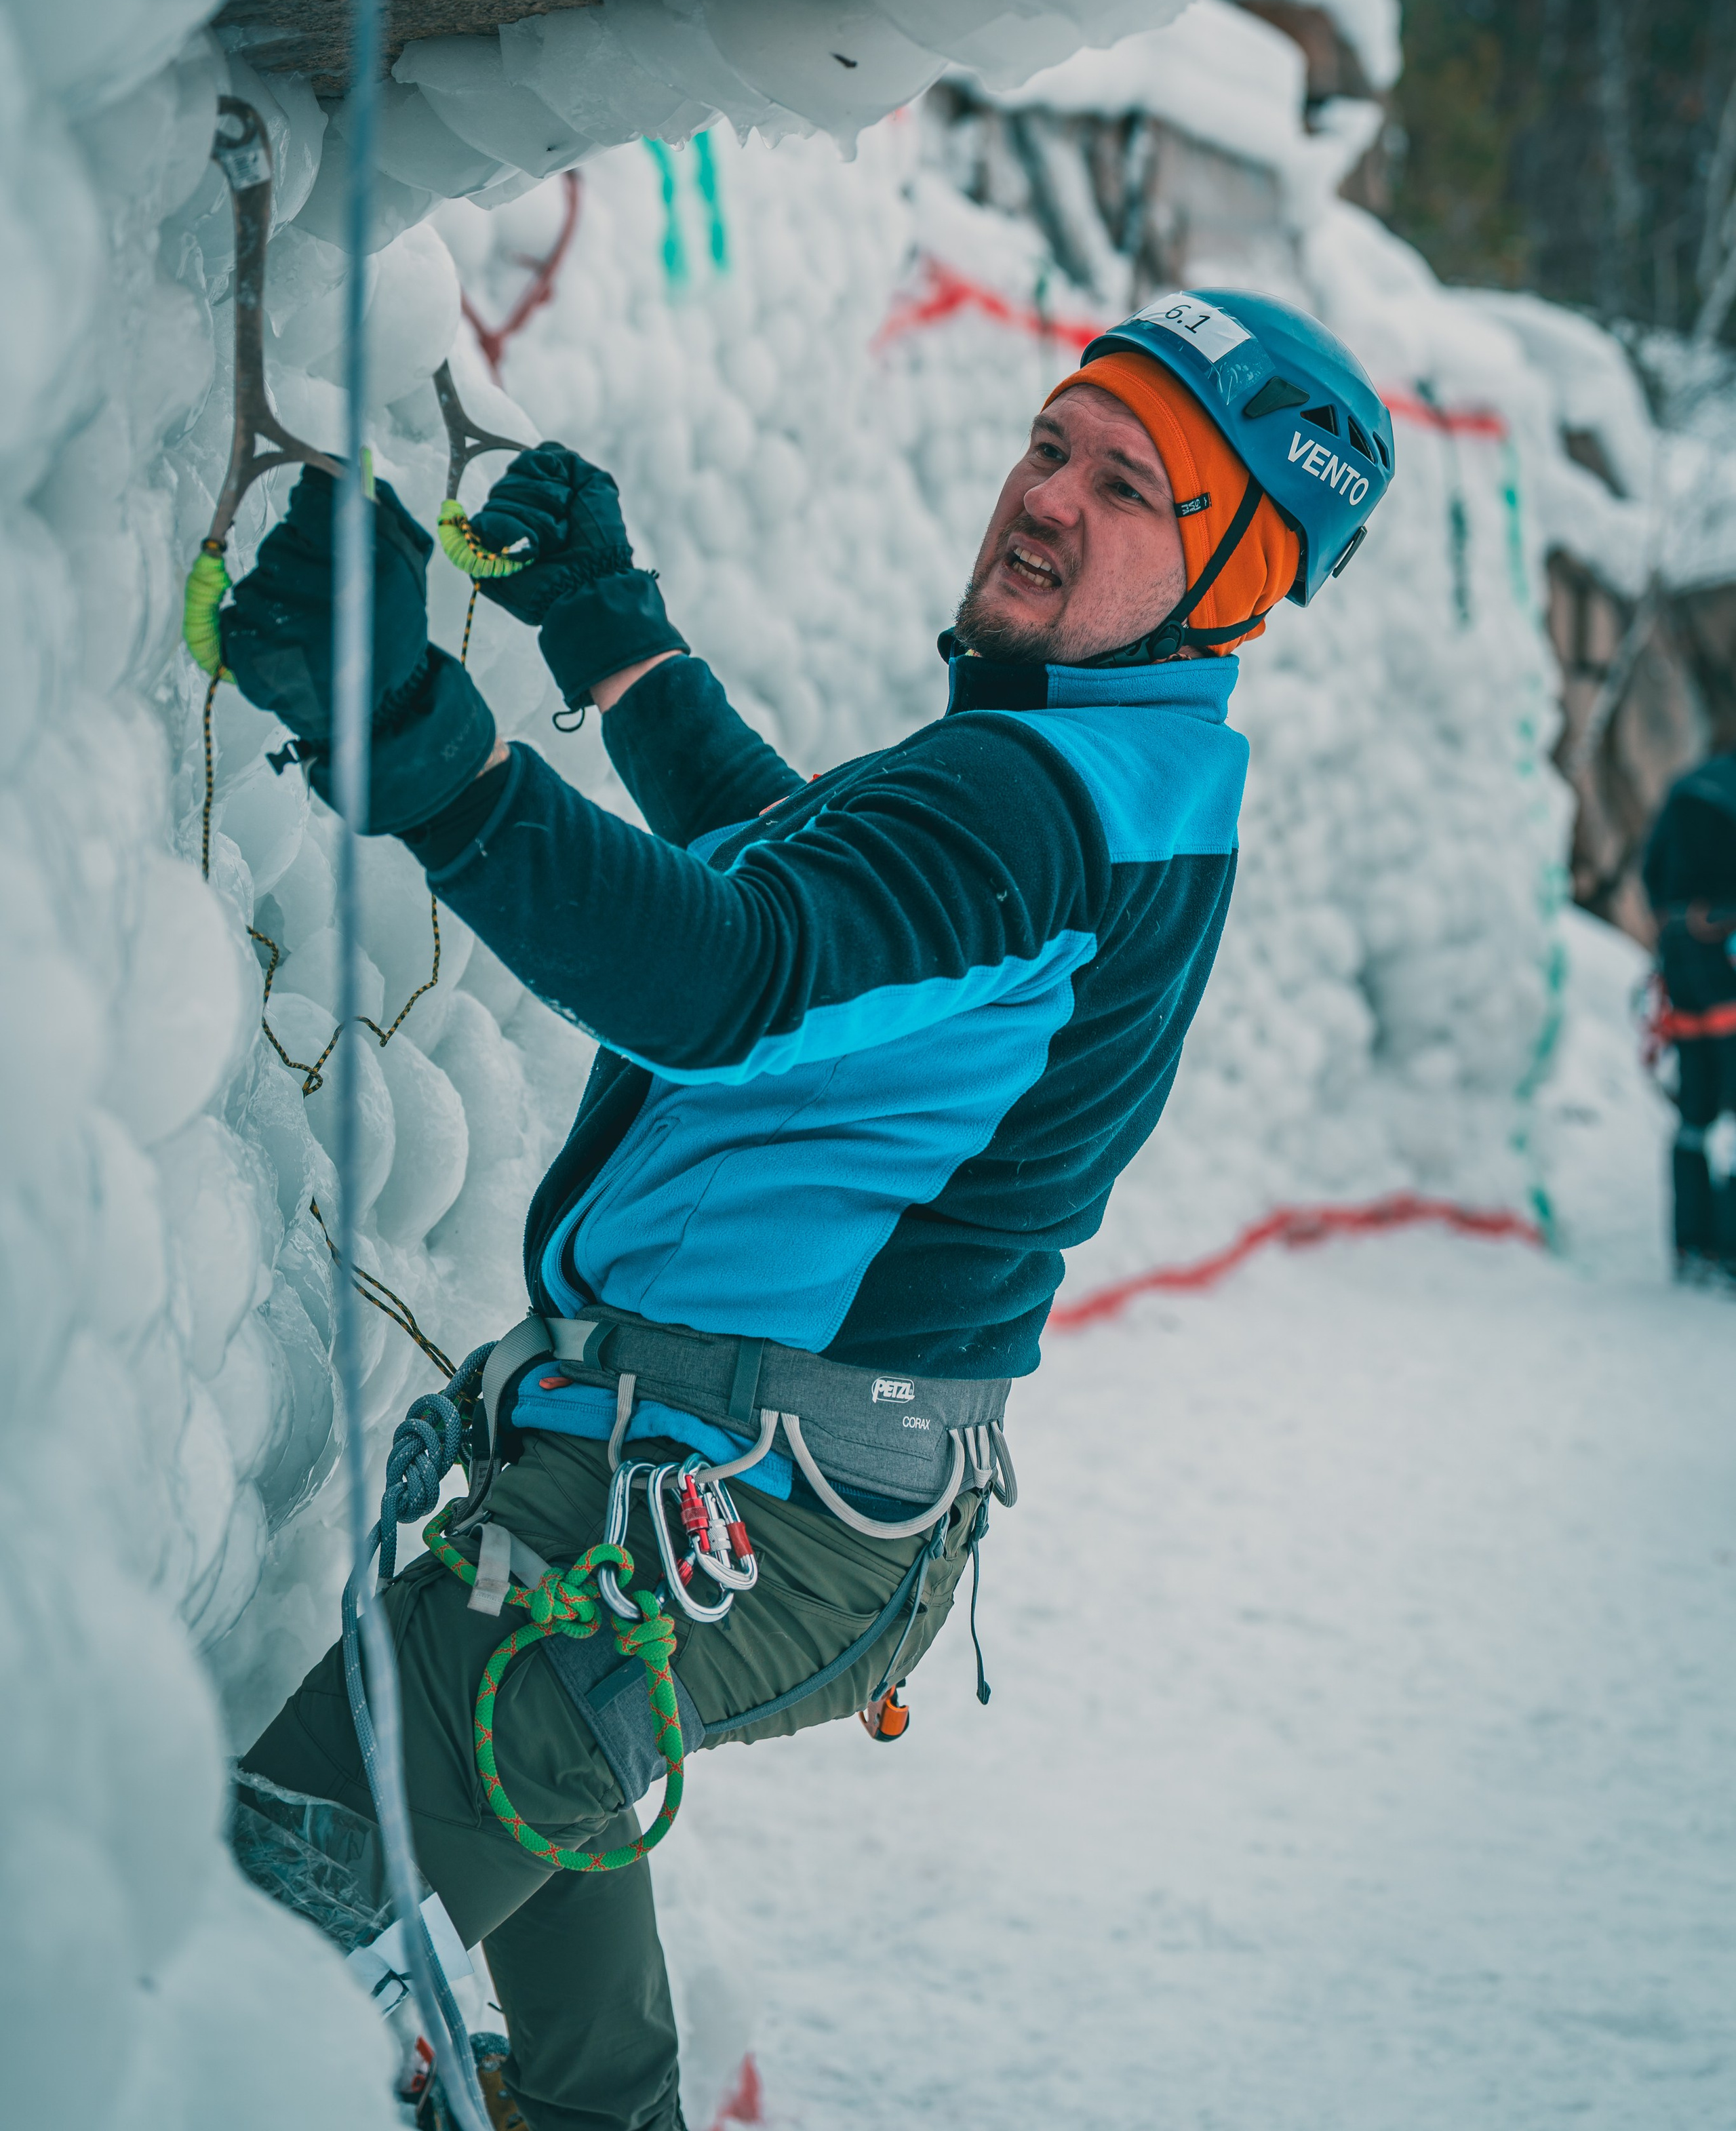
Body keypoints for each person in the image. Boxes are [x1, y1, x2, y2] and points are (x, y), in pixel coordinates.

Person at [226, 292, 1394, 2129]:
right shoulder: (1133, 775)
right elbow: (823, 894)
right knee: (538, 1856)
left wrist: (418, 750)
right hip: (779, 1491)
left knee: (254, 1943)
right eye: (1051, 443)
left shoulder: (1031, 802)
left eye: (1130, 486)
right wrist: (613, 636)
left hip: (741, 1498)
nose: (1048, 497)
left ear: (1237, 568)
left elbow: (741, 976)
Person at [1641, 751, 1736, 1283]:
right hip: (1728, 950)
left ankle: (1691, 1244)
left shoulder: (1691, 786)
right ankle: (1731, 1251)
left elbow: (1652, 871)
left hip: (1681, 957)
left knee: (1696, 1112)